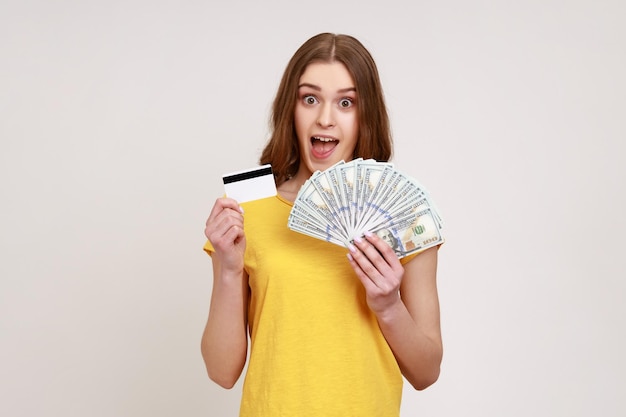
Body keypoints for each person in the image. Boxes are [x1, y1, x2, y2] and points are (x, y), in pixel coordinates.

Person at [201, 32, 443, 417]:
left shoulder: (404, 216)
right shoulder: (249, 209)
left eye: (346, 102)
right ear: (290, 108)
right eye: (309, 98)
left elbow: (427, 371)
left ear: (366, 116)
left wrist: (389, 306)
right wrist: (230, 271)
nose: (325, 118)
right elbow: (221, 371)